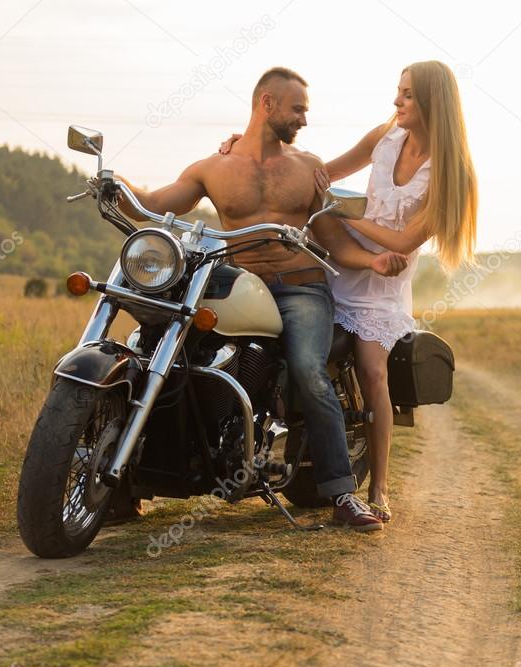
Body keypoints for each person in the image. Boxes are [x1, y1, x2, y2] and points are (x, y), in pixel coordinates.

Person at [118, 66, 408, 532]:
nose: (304, 121)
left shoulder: (307, 168)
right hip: (243, 285)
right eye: (298, 109)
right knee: (165, 352)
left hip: (301, 287)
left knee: (309, 371)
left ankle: (342, 495)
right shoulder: (213, 167)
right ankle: (126, 482)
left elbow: (332, 237)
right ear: (267, 104)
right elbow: (156, 203)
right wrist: (117, 184)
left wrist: (371, 262)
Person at [219, 60, 477, 522]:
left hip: (382, 275)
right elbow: (324, 172)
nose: (397, 102)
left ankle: (377, 488)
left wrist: (340, 211)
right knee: (282, 342)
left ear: (433, 102)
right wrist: (247, 148)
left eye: (408, 95)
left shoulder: (450, 176)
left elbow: (400, 242)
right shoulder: (387, 135)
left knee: (371, 370)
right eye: (398, 92)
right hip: (334, 254)